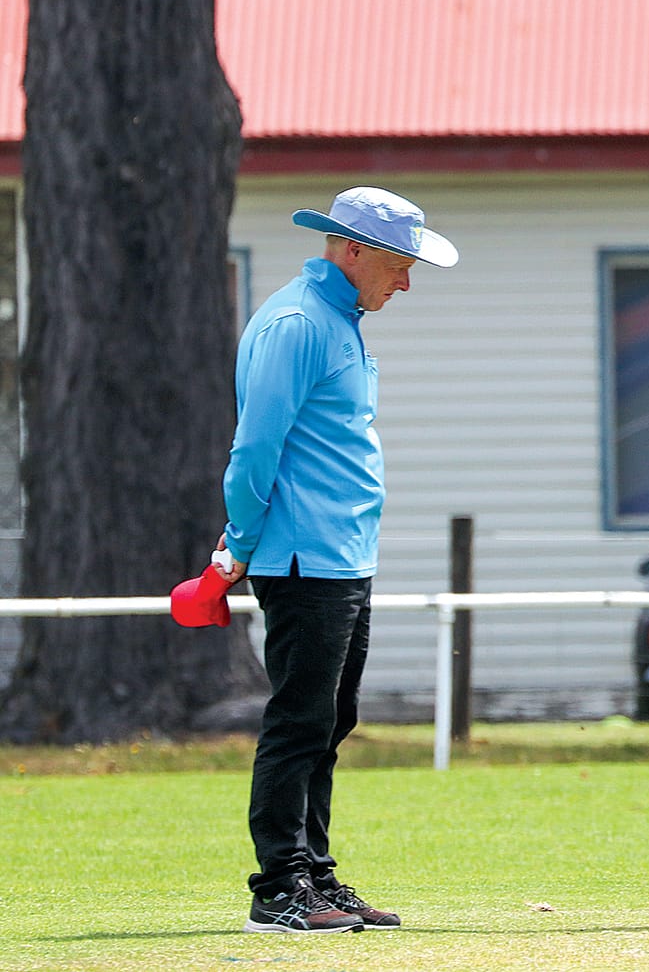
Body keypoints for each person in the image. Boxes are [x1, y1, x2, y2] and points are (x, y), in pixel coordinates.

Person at [214, 187, 458, 934]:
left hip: (341, 555)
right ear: (352, 251)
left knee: (331, 716)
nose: (406, 281)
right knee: (299, 719)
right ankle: (277, 887)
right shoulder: (298, 323)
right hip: (299, 557)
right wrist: (239, 541)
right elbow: (255, 448)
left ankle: (313, 873)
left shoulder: (336, 320)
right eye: (398, 265)